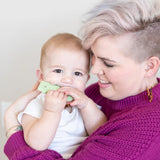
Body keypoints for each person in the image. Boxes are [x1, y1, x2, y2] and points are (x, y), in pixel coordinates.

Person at [4, 0, 160, 159]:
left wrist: (12, 127)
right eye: (94, 57)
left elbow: (99, 128)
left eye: (108, 64)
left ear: (149, 66)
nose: (94, 70)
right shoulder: (96, 92)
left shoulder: (147, 128)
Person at [14, 33, 107, 159]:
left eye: (77, 73)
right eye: (58, 71)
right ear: (41, 76)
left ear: (86, 79)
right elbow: (37, 144)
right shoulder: (36, 105)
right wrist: (51, 111)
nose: (67, 80)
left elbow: (102, 133)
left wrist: (87, 106)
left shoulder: (83, 103)